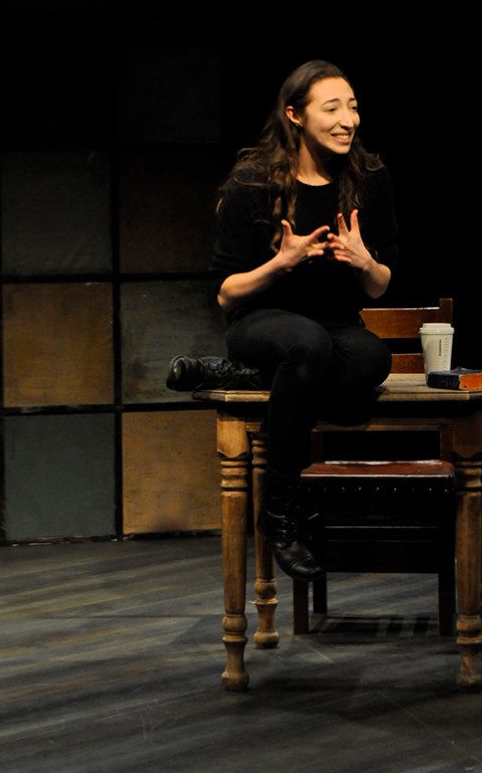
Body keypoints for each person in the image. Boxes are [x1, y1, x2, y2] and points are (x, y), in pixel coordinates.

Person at [173, 60, 399, 581]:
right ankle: (279, 511)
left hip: (336, 331)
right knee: (306, 343)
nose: (349, 120)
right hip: (264, 326)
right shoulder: (252, 183)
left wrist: (366, 264)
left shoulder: (369, 179)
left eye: (354, 106)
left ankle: (239, 377)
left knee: (373, 357)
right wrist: (281, 262)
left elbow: (382, 283)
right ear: (295, 115)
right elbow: (227, 295)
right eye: (333, 108)